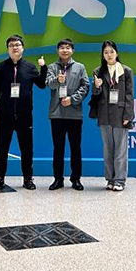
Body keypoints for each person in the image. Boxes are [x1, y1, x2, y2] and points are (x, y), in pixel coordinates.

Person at [0, 34, 48, 192]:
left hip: (24, 116)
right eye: (11, 45)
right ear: (7, 49)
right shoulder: (1, 67)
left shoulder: (30, 67)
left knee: (26, 149)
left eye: (17, 45)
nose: (14, 47)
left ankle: (27, 179)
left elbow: (42, 85)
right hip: (4, 116)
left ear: (23, 48)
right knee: (2, 149)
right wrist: (4, 103)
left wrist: (43, 68)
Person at [44, 38, 89, 191]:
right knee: (58, 148)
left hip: (74, 114)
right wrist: (57, 80)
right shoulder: (52, 67)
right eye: (62, 47)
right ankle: (58, 179)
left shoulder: (80, 67)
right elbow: (49, 84)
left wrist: (72, 99)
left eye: (68, 47)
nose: (65, 50)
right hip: (56, 114)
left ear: (72, 50)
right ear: (58, 50)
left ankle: (76, 179)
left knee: (75, 148)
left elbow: (85, 86)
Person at [91, 40, 134, 191]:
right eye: (106, 52)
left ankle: (120, 180)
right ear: (102, 55)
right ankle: (110, 179)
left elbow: (129, 95)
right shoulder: (98, 71)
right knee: (107, 149)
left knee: (120, 150)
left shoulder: (126, 71)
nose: (109, 55)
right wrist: (96, 87)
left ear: (116, 53)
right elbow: (95, 95)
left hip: (120, 114)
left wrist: (128, 115)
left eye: (111, 51)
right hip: (104, 114)